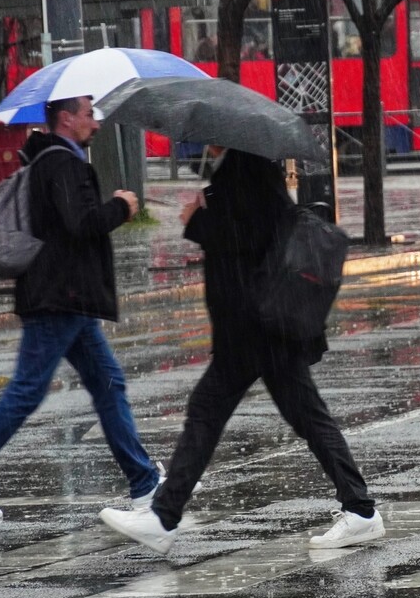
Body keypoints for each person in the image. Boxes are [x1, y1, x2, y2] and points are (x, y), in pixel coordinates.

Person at [99, 148, 384, 555]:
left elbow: (249, 235)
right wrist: (207, 205)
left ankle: (163, 516)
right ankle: (360, 510)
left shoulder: (246, 166)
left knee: (208, 411)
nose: (205, 144)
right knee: (303, 417)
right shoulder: (243, 167)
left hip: (256, 327)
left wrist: (196, 218)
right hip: (259, 328)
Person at [0, 96, 163, 520]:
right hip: (61, 296)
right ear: (67, 117)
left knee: (108, 383)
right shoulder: (62, 164)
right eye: (89, 114)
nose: (94, 123)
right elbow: (81, 225)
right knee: (27, 390)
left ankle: (144, 482)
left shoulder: (49, 161)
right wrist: (122, 207)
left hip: (64, 296)